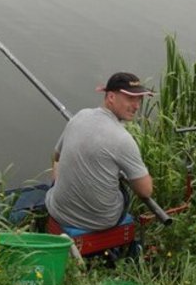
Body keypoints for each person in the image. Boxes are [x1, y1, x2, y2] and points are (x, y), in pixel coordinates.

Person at [45, 72, 154, 232]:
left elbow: (56, 157)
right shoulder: (123, 139)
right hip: (100, 222)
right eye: (130, 98)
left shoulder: (80, 116)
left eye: (139, 99)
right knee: (125, 192)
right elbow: (145, 191)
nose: (137, 105)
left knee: (58, 165)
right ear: (110, 97)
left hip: (57, 210)